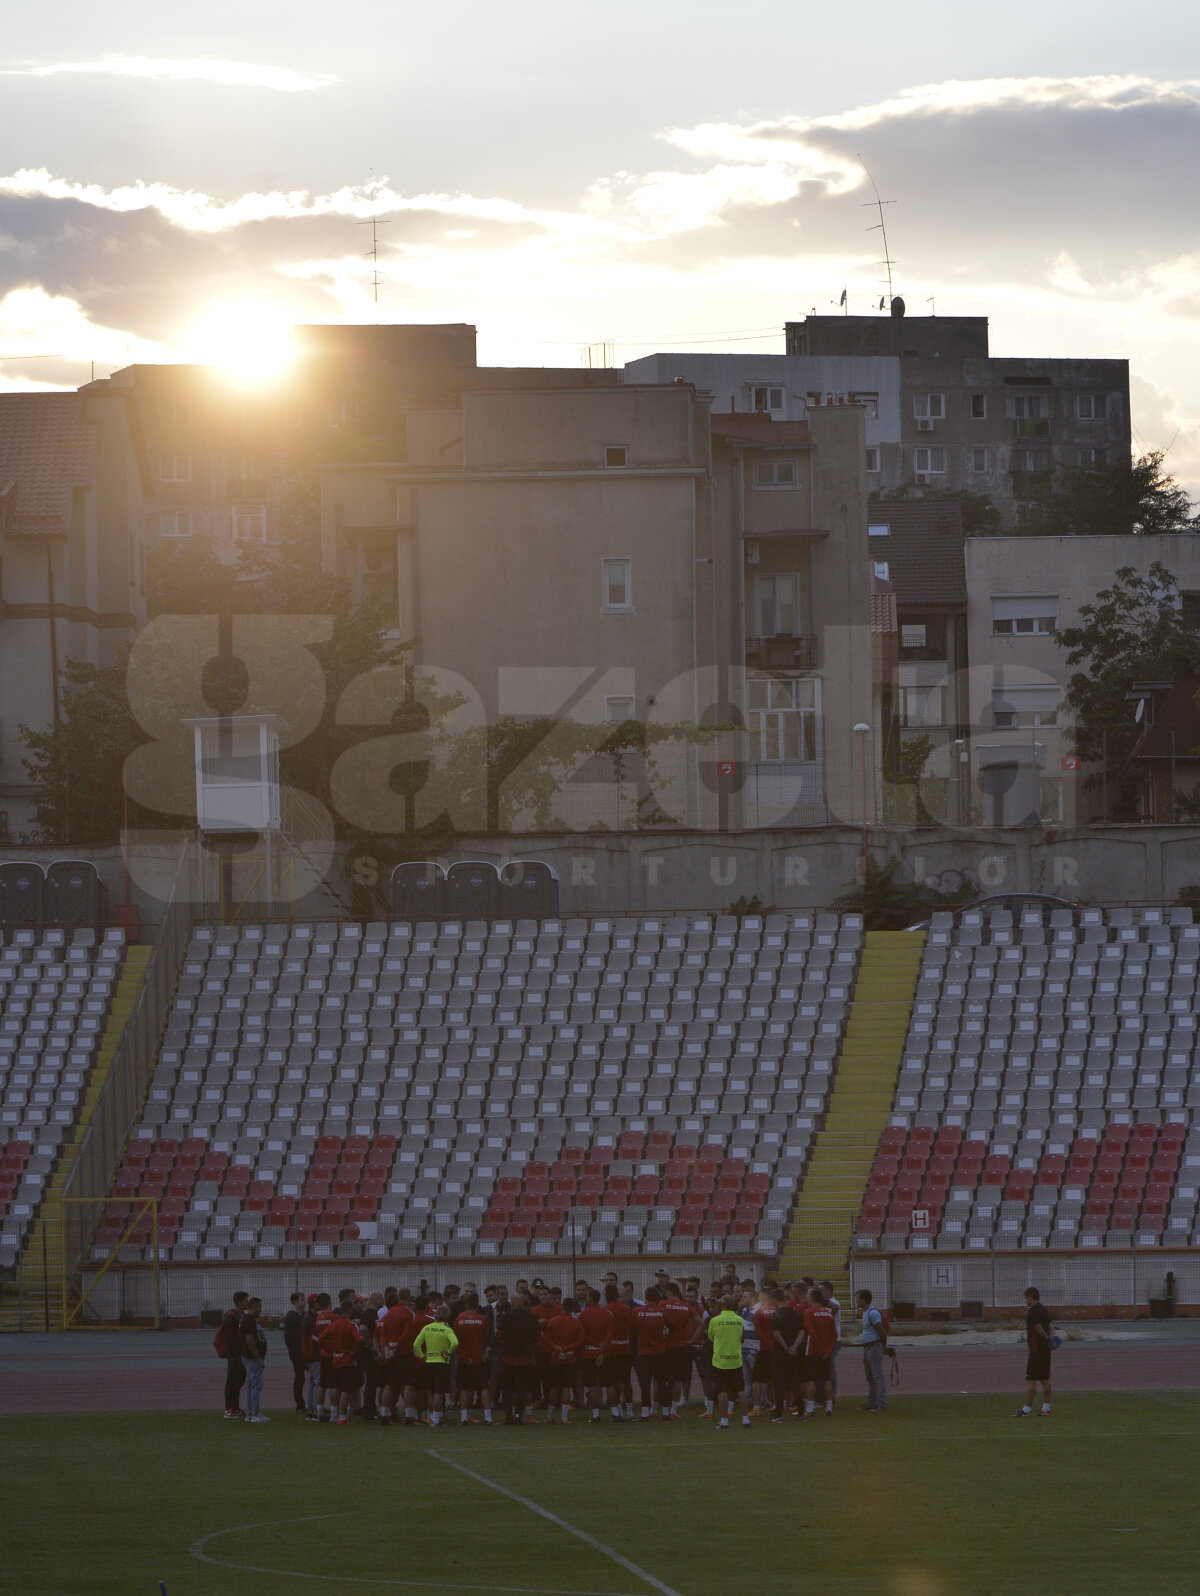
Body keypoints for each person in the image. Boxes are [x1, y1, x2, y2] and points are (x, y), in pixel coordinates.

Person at [708, 1294, 751, 1430]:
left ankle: (724, 1421)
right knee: (740, 1390)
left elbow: (711, 1337)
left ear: (722, 1305)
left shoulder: (715, 1320)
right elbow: (742, 1338)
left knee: (722, 1391)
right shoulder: (739, 1320)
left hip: (720, 1361)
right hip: (735, 1360)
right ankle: (745, 1419)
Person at [316, 1303, 363, 1426]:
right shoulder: (351, 1325)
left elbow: (320, 1339)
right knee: (346, 1390)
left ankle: (334, 1414)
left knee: (335, 1387)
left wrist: (331, 1349)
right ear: (350, 1311)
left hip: (335, 1360)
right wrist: (353, 1351)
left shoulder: (333, 1325)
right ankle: (342, 1417)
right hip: (347, 1360)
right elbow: (358, 1340)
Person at [413, 1306, 459, 1428]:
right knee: (439, 1392)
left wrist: (422, 1356)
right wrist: (448, 1352)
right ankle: (436, 1419)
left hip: (429, 1362)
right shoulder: (447, 1329)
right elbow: (455, 1343)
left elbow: (416, 1344)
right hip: (442, 1363)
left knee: (431, 1391)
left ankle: (431, 1416)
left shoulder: (427, 1328)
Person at [499, 1292, 541, 1425]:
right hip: (525, 1358)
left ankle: (508, 1416)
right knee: (522, 1388)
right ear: (523, 1303)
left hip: (508, 1358)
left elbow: (499, 1335)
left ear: (512, 1303)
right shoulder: (531, 1317)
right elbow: (537, 1337)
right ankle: (518, 1415)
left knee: (507, 1388)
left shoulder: (506, 1317)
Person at [452, 1291, 493, 1425]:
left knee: (463, 1388)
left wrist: (461, 1355)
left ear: (465, 1304)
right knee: (483, 1387)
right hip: (478, 1358)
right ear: (477, 1304)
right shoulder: (483, 1319)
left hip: (464, 1359)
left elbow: (454, 1340)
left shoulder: (459, 1319)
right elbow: (487, 1339)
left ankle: (464, 1418)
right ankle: (488, 1418)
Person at [541, 1296, 584, 1424]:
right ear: (572, 1309)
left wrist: (557, 1348)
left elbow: (547, 1339)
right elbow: (580, 1341)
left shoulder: (553, 1321)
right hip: (570, 1358)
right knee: (566, 1387)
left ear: (562, 1307)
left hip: (555, 1357)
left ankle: (549, 1416)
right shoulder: (577, 1323)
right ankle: (564, 1417)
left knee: (554, 1388)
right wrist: (566, 1349)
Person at [376, 1286, 414, 1426]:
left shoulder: (389, 1313)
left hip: (390, 1352)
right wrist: (397, 1346)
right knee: (408, 1384)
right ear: (408, 1297)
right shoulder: (408, 1313)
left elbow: (382, 1332)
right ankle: (409, 1415)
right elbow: (406, 1333)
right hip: (404, 1352)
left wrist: (386, 1348)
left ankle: (385, 1414)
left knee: (389, 1384)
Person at [631, 1285, 669, 1420]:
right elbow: (670, 1328)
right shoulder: (663, 1312)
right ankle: (665, 1412)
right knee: (661, 1383)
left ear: (646, 1298)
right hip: (660, 1351)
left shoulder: (637, 1311)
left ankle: (645, 1413)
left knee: (645, 1384)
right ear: (657, 1298)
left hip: (643, 1352)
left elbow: (633, 1330)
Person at [578, 1288, 614, 1424]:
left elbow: (582, 1335)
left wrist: (594, 1345)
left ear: (589, 1298)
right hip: (605, 1353)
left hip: (588, 1353)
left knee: (592, 1386)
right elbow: (610, 1333)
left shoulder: (582, 1315)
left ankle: (595, 1415)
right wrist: (602, 1347)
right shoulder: (607, 1313)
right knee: (610, 1384)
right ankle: (615, 1413)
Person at [801, 1287, 838, 1419]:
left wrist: (821, 1349)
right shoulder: (828, 1313)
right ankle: (828, 1407)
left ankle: (810, 1408)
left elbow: (811, 1332)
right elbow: (834, 1334)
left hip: (812, 1351)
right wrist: (828, 1350)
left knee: (810, 1379)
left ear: (812, 1297)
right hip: (826, 1352)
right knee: (826, 1379)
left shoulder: (808, 1312)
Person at [769, 1287, 805, 1422]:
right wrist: (794, 1347)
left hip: (780, 1353)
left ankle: (778, 1414)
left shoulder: (776, 1315)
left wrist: (786, 1348)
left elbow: (776, 1334)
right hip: (794, 1353)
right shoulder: (795, 1313)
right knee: (795, 1382)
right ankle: (801, 1413)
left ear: (774, 1299)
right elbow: (801, 1332)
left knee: (779, 1383)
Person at [1018, 1287, 1054, 1418]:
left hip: (1036, 1349)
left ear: (1030, 1296)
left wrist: (1047, 1338)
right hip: (1045, 1349)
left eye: (1026, 1298)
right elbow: (1050, 1326)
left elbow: (1038, 1329)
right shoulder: (1043, 1309)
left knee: (1030, 1379)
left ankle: (1026, 1410)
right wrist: (1051, 1340)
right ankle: (1046, 1409)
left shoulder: (1033, 1311)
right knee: (1045, 1378)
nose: (1025, 1300)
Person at [856, 1288, 892, 1413]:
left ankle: (882, 1404)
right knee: (870, 1377)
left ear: (864, 1300)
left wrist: (883, 1347)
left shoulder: (872, 1313)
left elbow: (882, 1331)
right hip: (867, 1347)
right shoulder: (865, 1312)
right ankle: (872, 1402)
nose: (856, 1301)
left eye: (858, 1298)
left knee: (878, 1376)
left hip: (874, 1347)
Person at [604, 1283, 636, 1421]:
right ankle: (629, 1411)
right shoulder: (627, 1309)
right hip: (625, 1348)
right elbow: (633, 1327)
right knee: (626, 1380)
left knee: (612, 1382)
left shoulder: (606, 1310)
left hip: (611, 1350)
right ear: (617, 1295)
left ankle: (616, 1412)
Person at [221, 1290, 249, 1419]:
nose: (247, 1303)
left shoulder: (242, 1315)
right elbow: (230, 1338)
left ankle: (235, 1407)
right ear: (239, 1302)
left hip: (242, 1354)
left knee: (239, 1380)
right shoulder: (230, 1317)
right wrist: (232, 1355)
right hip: (234, 1355)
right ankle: (229, 1408)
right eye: (245, 1300)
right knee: (232, 1381)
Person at [241, 1297, 269, 1423]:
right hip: (252, 1358)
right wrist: (257, 1356)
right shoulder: (248, 1321)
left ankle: (251, 1412)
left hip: (252, 1357)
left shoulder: (250, 1320)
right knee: (256, 1384)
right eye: (260, 1307)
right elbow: (250, 1340)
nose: (261, 1310)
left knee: (251, 1384)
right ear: (254, 1307)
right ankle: (255, 1413)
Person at [284, 1291, 306, 1415]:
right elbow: (289, 1339)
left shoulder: (304, 1315)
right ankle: (300, 1404)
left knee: (315, 1378)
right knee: (299, 1378)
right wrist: (294, 1353)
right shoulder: (290, 1317)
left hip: (307, 1351)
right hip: (297, 1353)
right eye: (302, 1300)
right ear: (295, 1301)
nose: (304, 1302)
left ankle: (313, 1404)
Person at [820, 1280, 843, 1402]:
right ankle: (826, 1395)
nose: (821, 1292)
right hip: (829, 1339)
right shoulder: (828, 1304)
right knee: (826, 1367)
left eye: (822, 1290)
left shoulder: (832, 1303)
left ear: (829, 1290)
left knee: (830, 1367)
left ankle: (831, 1395)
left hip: (834, 1339)